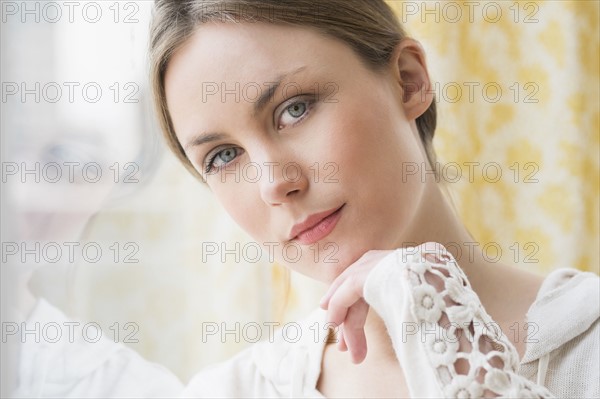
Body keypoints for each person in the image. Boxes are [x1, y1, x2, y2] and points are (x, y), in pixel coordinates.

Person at [149, 0, 599, 397]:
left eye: (294, 109)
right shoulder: (230, 391)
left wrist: (436, 311)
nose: (273, 184)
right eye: (223, 156)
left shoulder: (588, 345)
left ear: (408, 81)